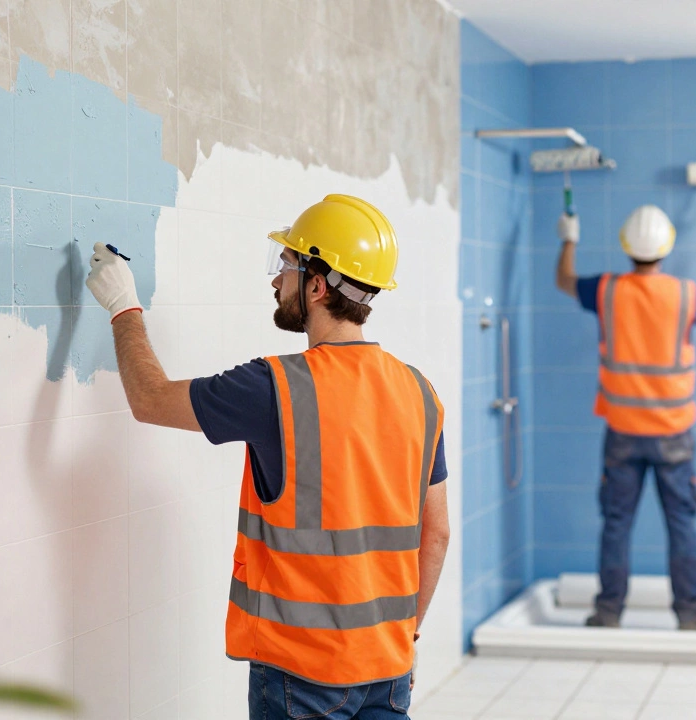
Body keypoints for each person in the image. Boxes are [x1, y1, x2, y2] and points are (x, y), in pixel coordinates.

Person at [84, 194, 452, 719]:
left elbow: (149, 400)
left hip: (300, 678)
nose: (276, 282)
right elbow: (435, 534)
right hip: (389, 670)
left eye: (286, 267)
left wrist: (123, 307)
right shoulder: (420, 392)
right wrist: (407, 634)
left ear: (318, 285)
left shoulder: (275, 388)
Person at [554, 205, 696, 631]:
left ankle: (608, 612)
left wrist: (569, 240)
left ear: (626, 245)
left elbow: (564, 280)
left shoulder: (607, 290)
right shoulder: (687, 294)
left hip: (623, 432)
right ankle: (691, 614)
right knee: (682, 523)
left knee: (616, 524)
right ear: (666, 247)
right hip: (674, 433)